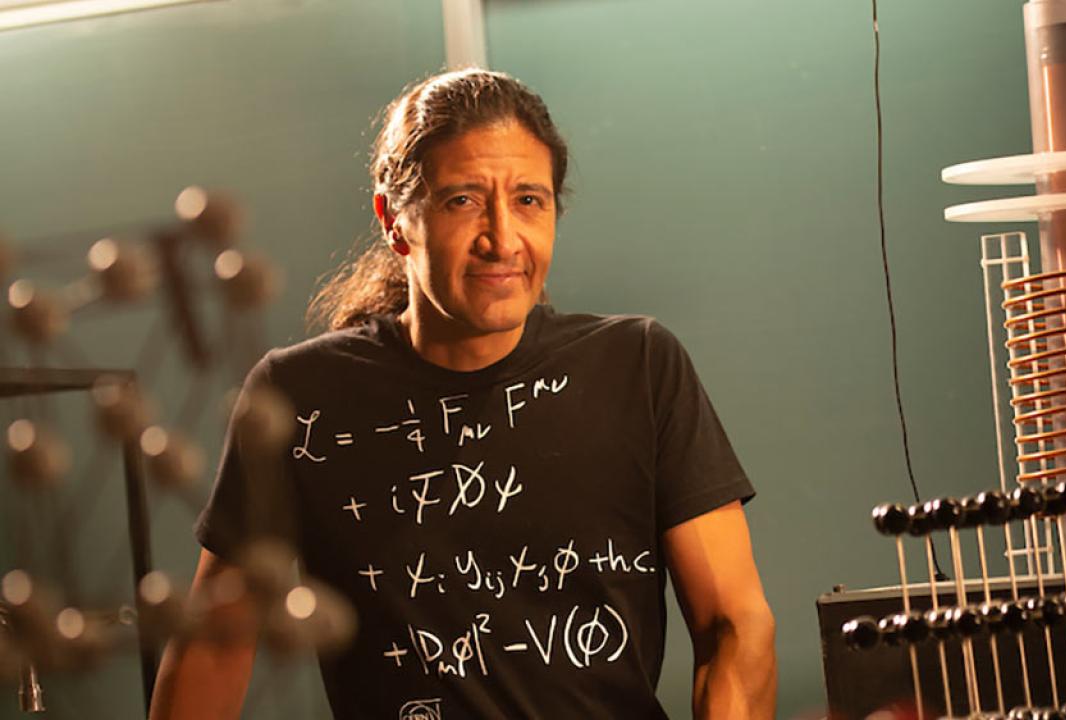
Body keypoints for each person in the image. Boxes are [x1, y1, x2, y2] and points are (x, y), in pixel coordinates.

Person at [148, 69, 775, 720]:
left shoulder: (639, 366)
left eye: (529, 200)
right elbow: (214, 649)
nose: (502, 239)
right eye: (463, 201)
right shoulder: (298, 395)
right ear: (395, 222)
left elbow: (734, 625)